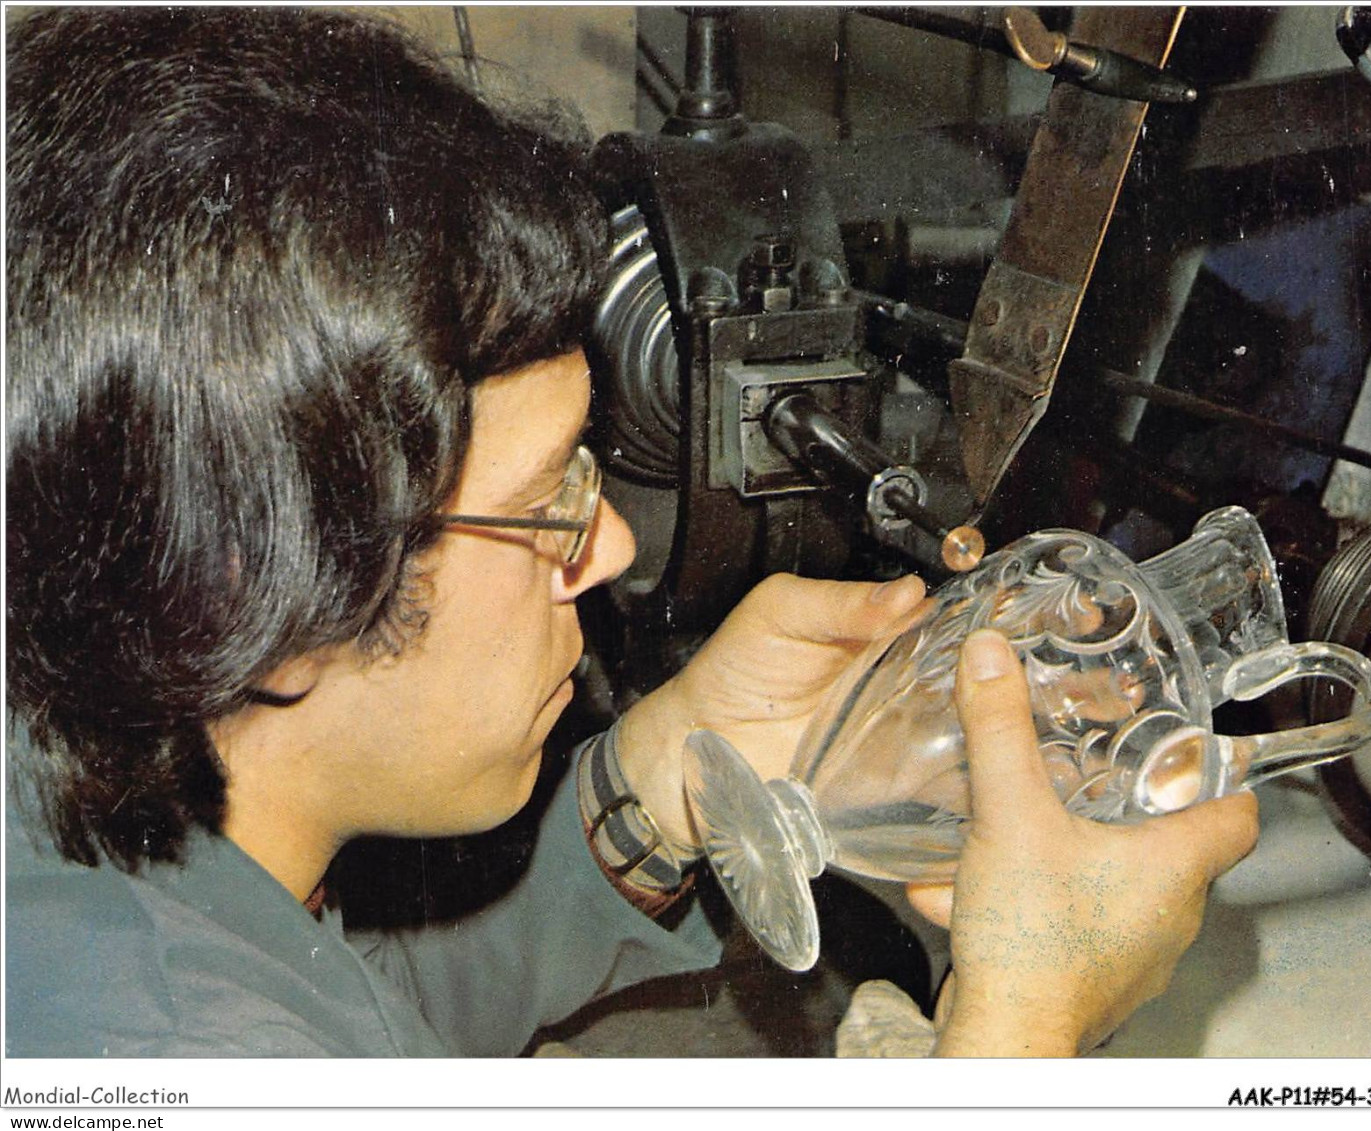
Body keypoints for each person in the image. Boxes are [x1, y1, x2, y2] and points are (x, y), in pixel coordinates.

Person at [4, 7, 1258, 1059]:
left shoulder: (120, 787)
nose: (603, 548)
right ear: (257, 604)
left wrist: (658, 778)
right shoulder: (164, 1054)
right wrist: (1022, 1034)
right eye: (548, 501)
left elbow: (357, 1010)